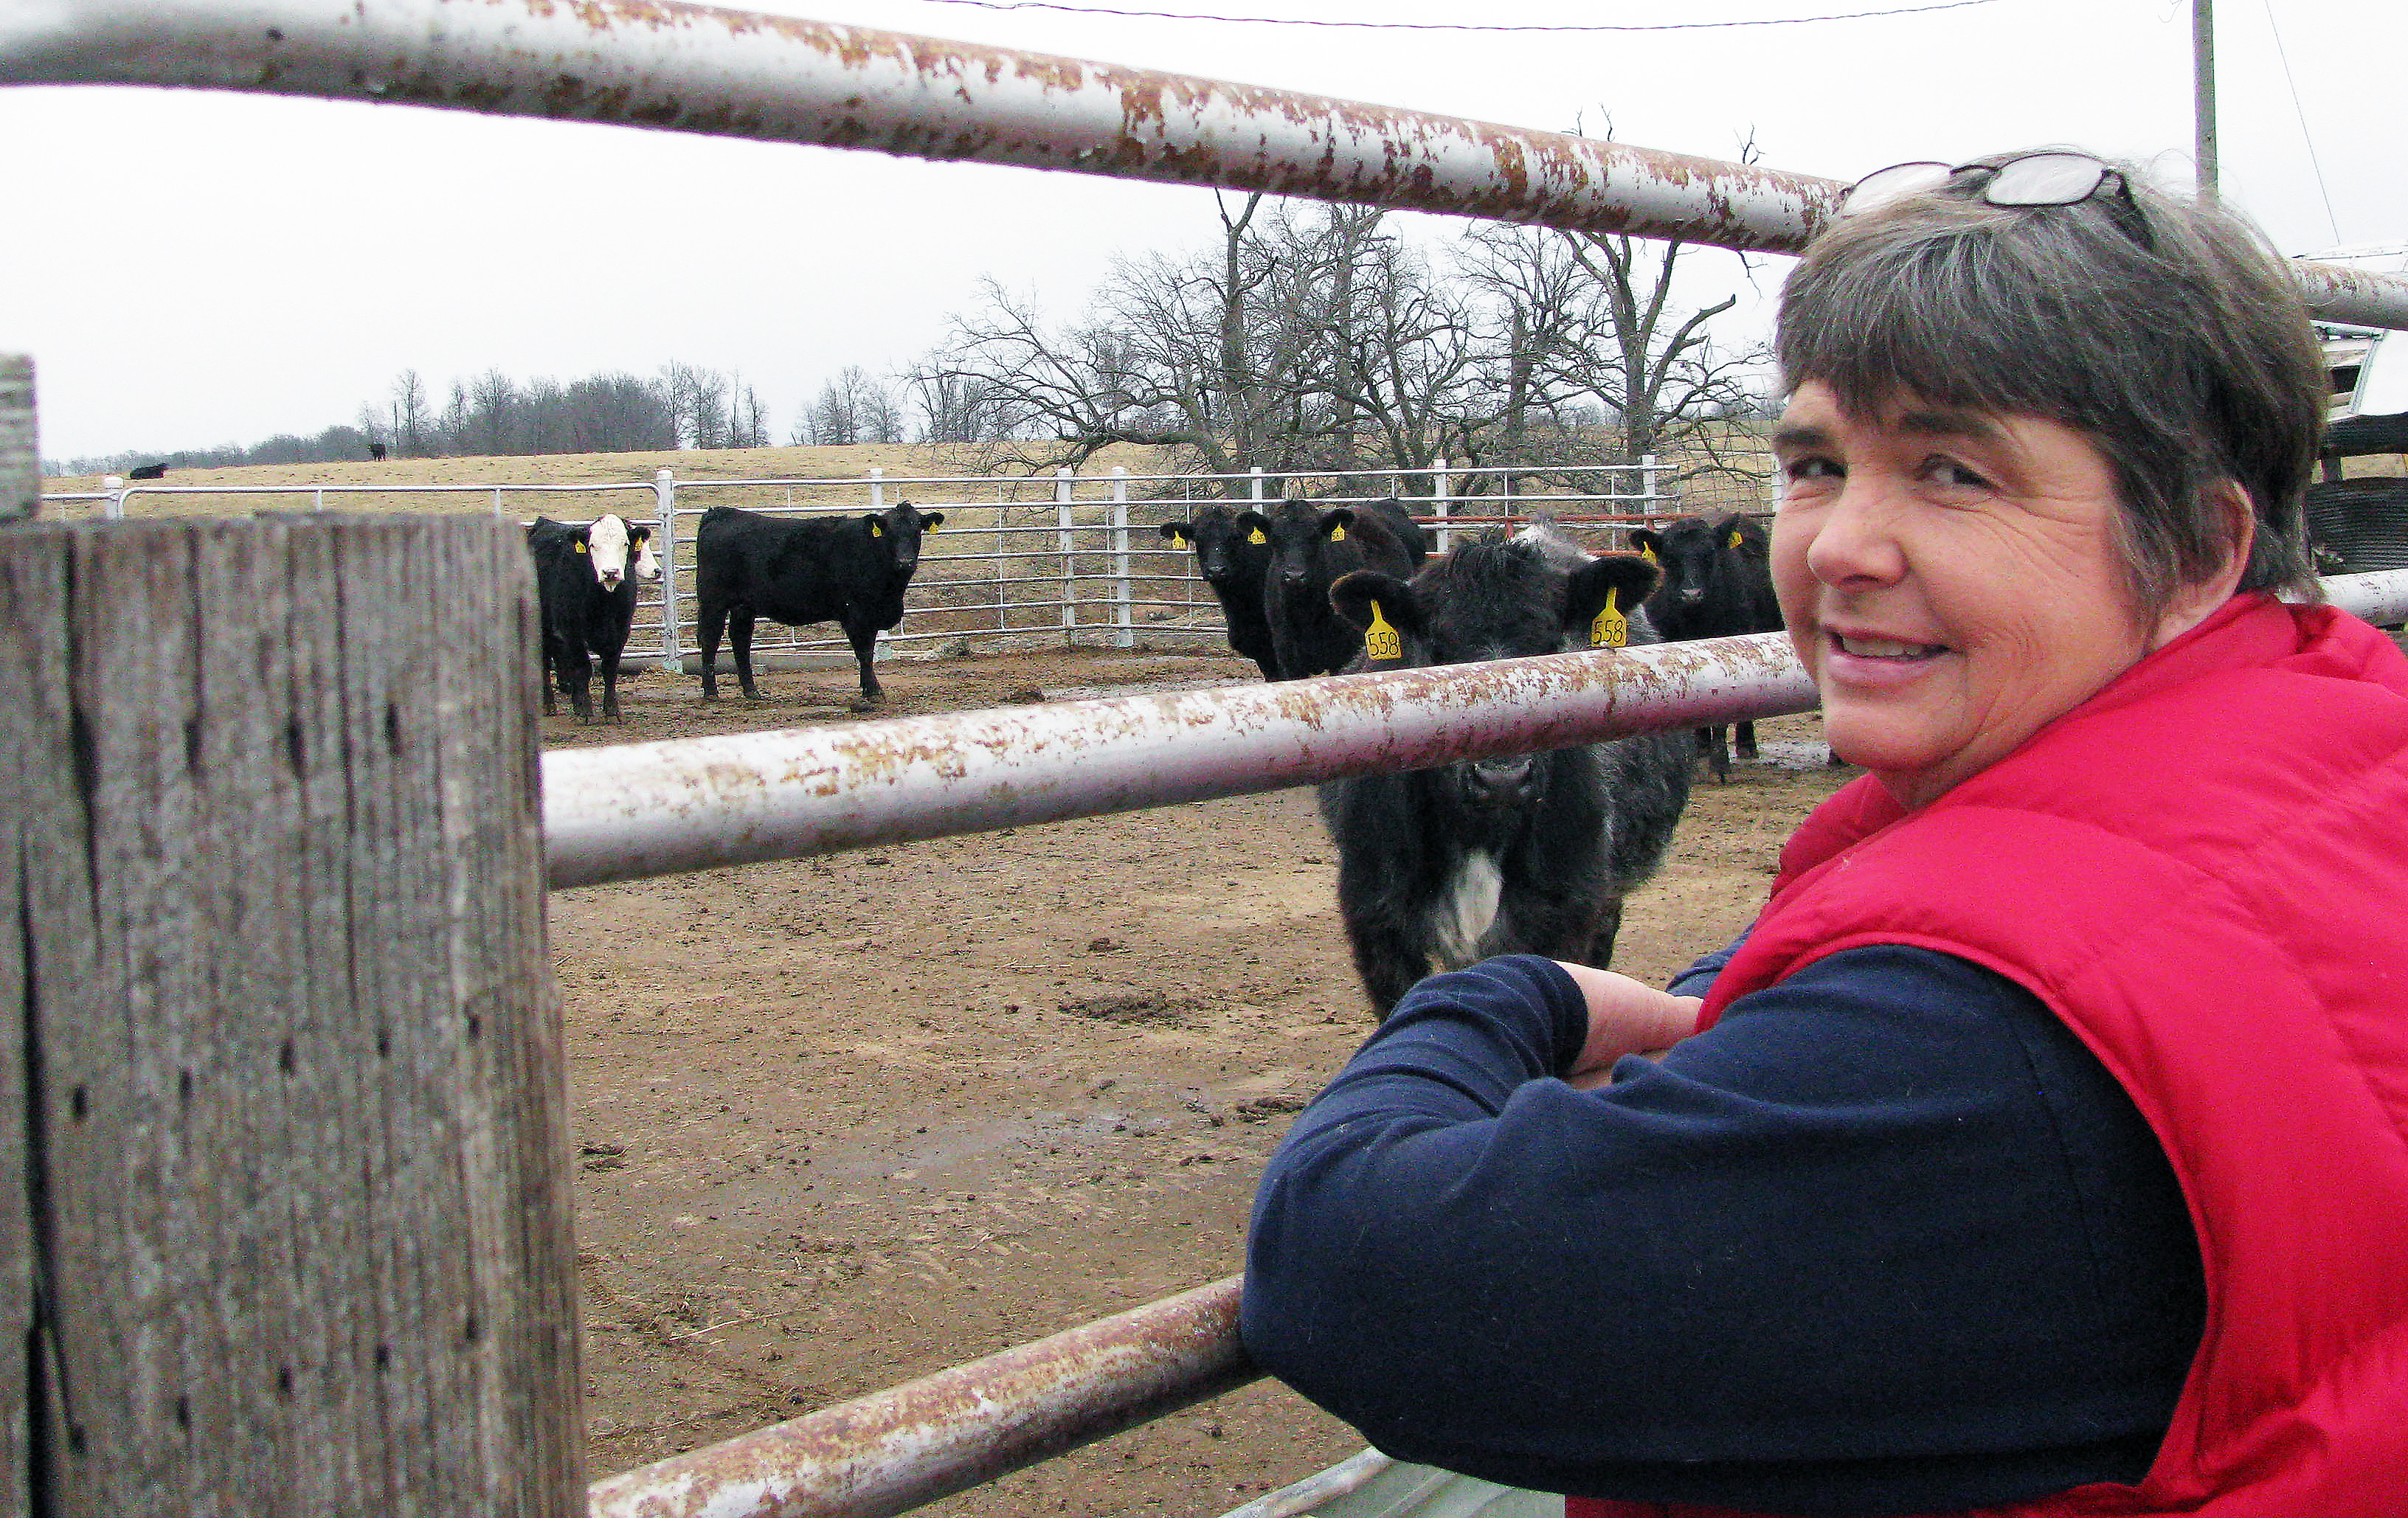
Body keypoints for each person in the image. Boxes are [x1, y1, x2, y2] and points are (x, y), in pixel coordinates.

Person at [1241, 150, 2408, 1517]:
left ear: (2201, 543)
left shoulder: (1973, 1053)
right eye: (1814, 461)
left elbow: (1343, 1270)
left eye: (1955, 469)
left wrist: (1512, 997)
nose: (1840, 543)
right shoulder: (2341, 741)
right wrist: (1726, 1010)